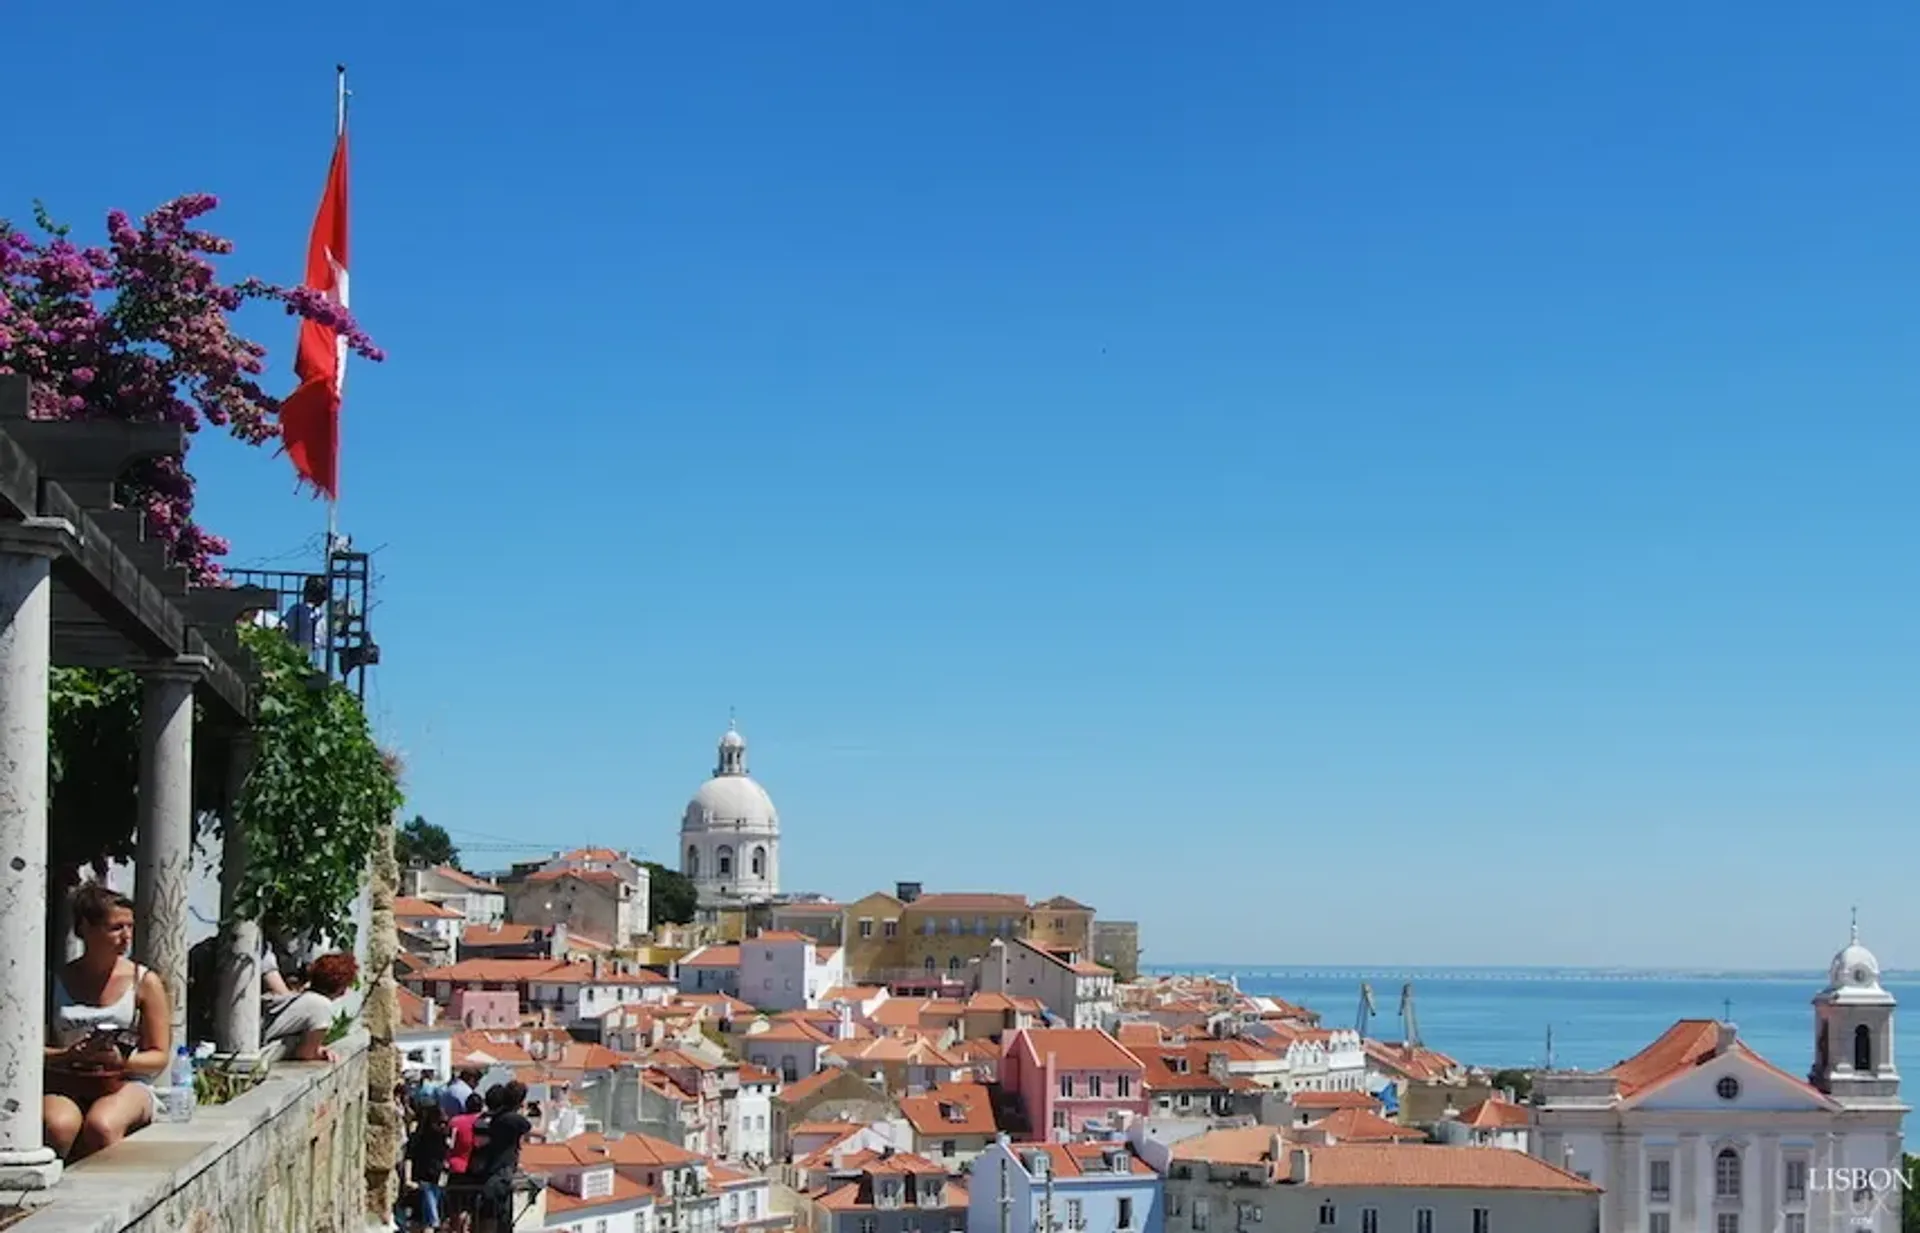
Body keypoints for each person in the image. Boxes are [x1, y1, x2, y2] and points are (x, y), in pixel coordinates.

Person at [41, 884, 171, 1161]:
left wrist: (119, 1060)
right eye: (115, 928)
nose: (126, 937)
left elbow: (159, 1056)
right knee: (59, 1125)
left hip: (124, 1079)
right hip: (67, 1078)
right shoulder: (53, 982)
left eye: (130, 927)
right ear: (86, 927)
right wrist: (68, 1055)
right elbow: (30, 1050)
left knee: (103, 1125)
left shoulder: (144, 982)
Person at [262, 952, 357, 1061]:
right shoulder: (321, 1005)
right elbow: (306, 1053)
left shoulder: (303, 997)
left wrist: (317, 1049)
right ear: (340, 987)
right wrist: (320, 1054)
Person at [468, 1081, 531, 1233]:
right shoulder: (511, 1119)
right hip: (500, 1174)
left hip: (483, 1173)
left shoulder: (485, 1120)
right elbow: (535, 1130)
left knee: (486, 1216)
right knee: (496, 1218)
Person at [402, 1100, 451, 1230]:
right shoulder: (418, 1138)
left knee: (431, 1222)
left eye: (445, 1123)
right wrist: (408, 1179)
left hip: (437, 1185)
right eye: (439, 1123)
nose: (442, 1126)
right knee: (424, 1222)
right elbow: (409, 1157)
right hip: (421, 1183)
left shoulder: (443, 1138)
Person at [444, 1092, 484, 1231]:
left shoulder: (455, 1121)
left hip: (455, 1168)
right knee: (474, 1209)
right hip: (476, 1171)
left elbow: (448, 1144)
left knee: (455, 1208)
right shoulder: (483, 1122)